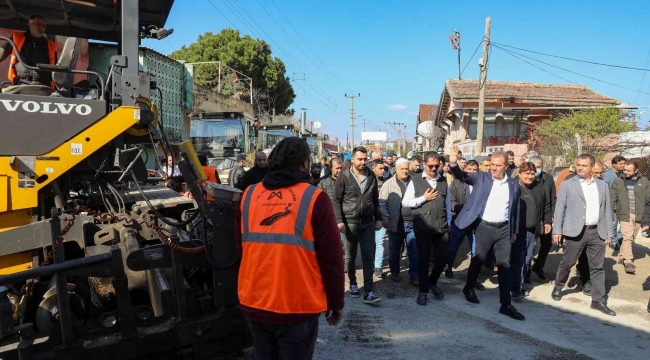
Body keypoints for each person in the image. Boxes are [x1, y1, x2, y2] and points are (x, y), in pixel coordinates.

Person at [237, 137, 344, 359]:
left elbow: (241, 248)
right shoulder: (314, 197)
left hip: (255, 302)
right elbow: (331, 258)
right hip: (297, 307)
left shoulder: (249, 195)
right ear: (305, 164)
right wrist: (336, 302)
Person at [449, 146, 525, 321]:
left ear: (506, 166)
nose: (494, 168)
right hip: (485, 227)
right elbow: (462, 175)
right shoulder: (482, 178)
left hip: (505, 228)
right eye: (492, 164)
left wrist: (514, 230)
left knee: (505, 264)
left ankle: (505, 304)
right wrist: (453, 162)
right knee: (479, 259)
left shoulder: (513, 184)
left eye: (498, 165)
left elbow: (515, 208)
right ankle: (468, 287)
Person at [551, 154, 615, 316]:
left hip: (597, 232)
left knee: (598, 267)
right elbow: (560, 209)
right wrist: (557, 230)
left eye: (584, 165)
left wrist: (608, 232)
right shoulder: (568, 184)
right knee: (568, 262)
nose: (580, 168)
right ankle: (559, 286)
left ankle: (598, 300)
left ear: (592, 167)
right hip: (575, 231)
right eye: (578, 164)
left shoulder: (602, 186)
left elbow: (607, 210)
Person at [333, 147, 383, 304]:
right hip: (350, 222)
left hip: (368, 222)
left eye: (365, 159)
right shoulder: (344, 176)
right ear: (353, 159)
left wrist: (379, 218)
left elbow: (375, 199)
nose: (363, 162)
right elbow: (336, 199)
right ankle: (353, 284)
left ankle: (369, 291)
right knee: (350, 256)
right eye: (360, 159)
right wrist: (339, 220)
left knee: (369, 256)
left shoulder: (371, 176)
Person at [402, 152, 449, 305]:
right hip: (423, 226)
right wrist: (424, 198)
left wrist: (450, 222)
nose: (434, 168)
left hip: (441, 226)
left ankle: (432, 282)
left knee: (442, 259)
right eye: (431, 166)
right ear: (424, 164)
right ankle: (423, 291)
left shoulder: (443, 181)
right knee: (424, 260)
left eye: (437, 166)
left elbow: (447, 204)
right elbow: (406, 203)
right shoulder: (415, 181)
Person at [511, 162, 551, 300]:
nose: (529, 176)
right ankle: (516, 288)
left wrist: (547, 221)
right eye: (527, 173)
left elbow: (546, 206)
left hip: (532, 231)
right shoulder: (512, 186)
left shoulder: (539, 187)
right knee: (517, 260)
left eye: (532, 173)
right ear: (520, 173)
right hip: (515, 231)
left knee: (527, 259)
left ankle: (517, 284)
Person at [380, 158, 419, 285]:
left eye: (406, 168)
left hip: (412, 223)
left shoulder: (415, 181)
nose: (404, 171)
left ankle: (414, 275)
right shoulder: (389, 184)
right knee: (395, 249)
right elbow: (382, 203)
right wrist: (385, 218)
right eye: (401, 169)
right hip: (395, 223)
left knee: (414, 250)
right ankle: (395, 272)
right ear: (396, 169)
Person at [610, 161, 650, 275]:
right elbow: (612, 198)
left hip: (639, 214)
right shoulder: (618, 181)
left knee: (631, 237)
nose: (625, 172)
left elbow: (648, 199)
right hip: (624, 213)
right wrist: (612, 213)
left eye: (628, 170)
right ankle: (628, 262)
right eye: (624, 170)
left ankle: (622, 255)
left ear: (636, 171)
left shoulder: (644, 181)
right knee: (627, 236)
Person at [446, 160, 479, 284]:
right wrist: (464, 210)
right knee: (453, 248)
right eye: (469, 169)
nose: (472, 172)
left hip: (476, 223)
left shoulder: (481, 183)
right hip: (459, 221)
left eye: (475, 170)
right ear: (464, 170)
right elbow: (451, 201)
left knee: (476, 251)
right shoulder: (456, 182)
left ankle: (473, 276)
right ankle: (448, 267)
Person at [0, 15, 57, 87]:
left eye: (44, 26)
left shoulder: (51, 46)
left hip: (43, 86)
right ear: (30, 25)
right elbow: (1, 53)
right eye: (38, 25)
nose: (41, 28)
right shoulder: (17, 38)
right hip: (21, 83)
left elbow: (56, 70)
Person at [528, 156, 556, 282]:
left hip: (545, 217)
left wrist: (550, 218)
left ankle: (538, 266)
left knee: (547, 244)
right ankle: (526, 272)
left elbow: (552, 198)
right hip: (531, 218)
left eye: (539, 166)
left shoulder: (548, 178)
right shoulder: (526, 178)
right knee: (529, 246)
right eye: (535, 166)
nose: (537, 169)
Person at [603, 155, 626, 250]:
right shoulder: (607, 175)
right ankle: (614, 241)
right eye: (620, 164)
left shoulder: (624, 174)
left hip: (623, 203)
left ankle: (620, 238)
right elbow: (605, 189)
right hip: (612, 203)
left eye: (624, 163)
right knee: (613, 223)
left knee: (624, 223)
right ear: (614, 164)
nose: (623, 165)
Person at [370, 159, 388, 278]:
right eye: (380, 168)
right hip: (368, 216)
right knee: (370, 243)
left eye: (384, 169)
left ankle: (378, 266)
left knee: (380, 242)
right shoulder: (368, 182)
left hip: (381, 216)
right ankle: (370, 264)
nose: (383, 171)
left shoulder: (387, 183)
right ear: (373, 168)